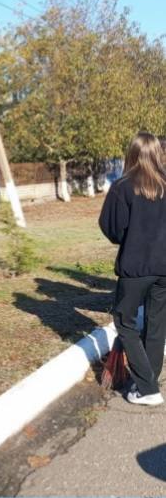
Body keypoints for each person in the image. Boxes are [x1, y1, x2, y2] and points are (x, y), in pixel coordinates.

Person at [98, 131, 166, 406]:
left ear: (132, 153)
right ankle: (148, 382)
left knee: (124, 322)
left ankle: (148, 388)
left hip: (136, 267)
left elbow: (111, 227)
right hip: (164, 269)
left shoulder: (122, 187)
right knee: (156, 324)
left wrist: (130, 237)